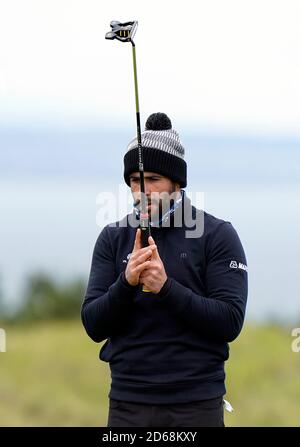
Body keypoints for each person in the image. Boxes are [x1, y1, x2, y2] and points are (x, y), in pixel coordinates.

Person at [81, 112, 248, 427]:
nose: (142, 191)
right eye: (134, 181)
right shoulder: (113, 237)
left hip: (197, 404)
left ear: (177, 182)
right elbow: (93, 324)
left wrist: (166, 288)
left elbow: (230, 321)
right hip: (127, 404)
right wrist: (126, 282)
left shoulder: (217, 235)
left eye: (153, 179)